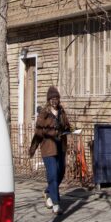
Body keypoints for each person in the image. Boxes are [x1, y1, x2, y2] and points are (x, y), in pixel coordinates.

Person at [33, 86, 71, 214]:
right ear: (49, 100)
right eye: (52, 99)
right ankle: (56, 204)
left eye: (57, 98)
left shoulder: (61, 111)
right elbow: (38, 132)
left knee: (61, 172)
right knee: (53, 174)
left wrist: (68, 130)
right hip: (48, 149)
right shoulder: (44, 114)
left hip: (60, 147)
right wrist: (33, 148)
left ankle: (48, 192)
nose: (55, 101)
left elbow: (67, 125)